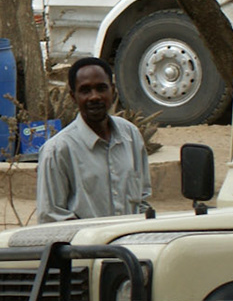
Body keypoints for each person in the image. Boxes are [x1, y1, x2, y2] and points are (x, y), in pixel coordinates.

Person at [34, 56, 152, 224]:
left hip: (130, 239)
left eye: (101, 88)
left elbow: (142, 200)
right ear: (73, 97)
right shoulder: (57, 150)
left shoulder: (130, 135)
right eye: (85, 90)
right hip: (85, 241)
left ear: (113, 91)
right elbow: (51, 216)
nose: (94, 97)